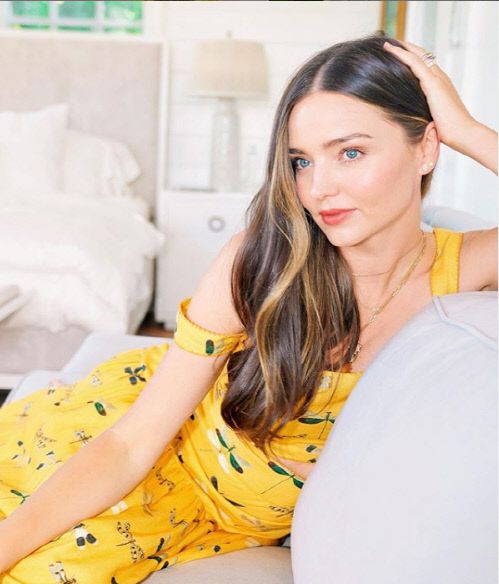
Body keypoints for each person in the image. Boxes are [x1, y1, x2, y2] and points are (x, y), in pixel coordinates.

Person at [0, 33, 497, 583]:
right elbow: (129, 444)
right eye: (301, 161)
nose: (319, 188)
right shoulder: (262, 260)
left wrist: (469, 132)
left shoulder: (466, 265)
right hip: (158, 451)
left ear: (426, 148)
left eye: (350, 152)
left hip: (221, 524)